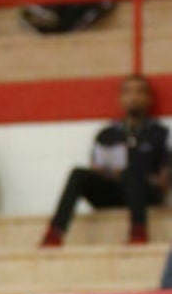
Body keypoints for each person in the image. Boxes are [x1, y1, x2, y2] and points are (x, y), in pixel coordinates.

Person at [41, 74, 169, 247]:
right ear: (120, 98)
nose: (133, 97)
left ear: (148, 98)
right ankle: (55, 232)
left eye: (139, 92)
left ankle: (138, 231)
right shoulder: (106, 134)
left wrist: (147, 177)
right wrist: (104, 172)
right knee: (78, 173)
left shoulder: (159, 133)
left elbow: (164, 178)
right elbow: (96, 165)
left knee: (131, 172)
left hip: (145, 193)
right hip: (114, 190)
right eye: (128, 92)